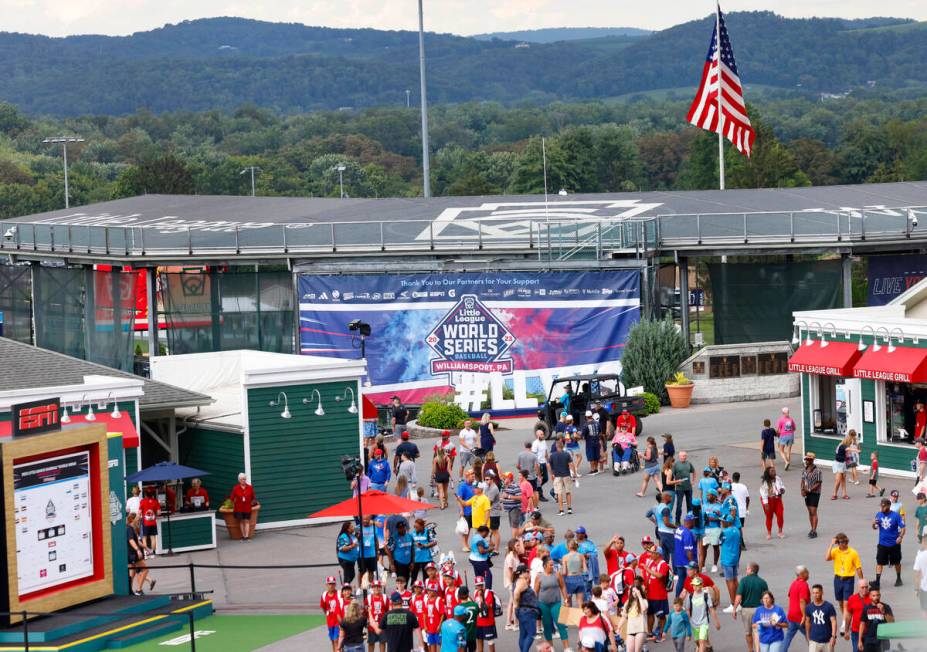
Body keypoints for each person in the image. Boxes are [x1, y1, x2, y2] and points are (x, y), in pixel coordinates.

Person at [825, 532, 863, 632]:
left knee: (846, 603)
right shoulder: (835, 551)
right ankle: (846, 618)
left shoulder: (853, 552)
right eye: (841, 542)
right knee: (841, 603)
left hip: (848, 580)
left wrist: (861, 581)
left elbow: (858, 568)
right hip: (837, 579)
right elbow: (827, 558)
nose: (844, 544)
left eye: (845, 542)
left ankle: (844, 624)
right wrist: (831, 544)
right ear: (838, 543)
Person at [535, 555, 570, 652]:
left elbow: (563, 587)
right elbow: (535, 592)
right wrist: (534, 605)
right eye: (550, 565)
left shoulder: (557, 574)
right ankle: (550, 648)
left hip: (556, 603)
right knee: (547, 626)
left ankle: (567, 648)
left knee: (561, 624)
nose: (552, 567)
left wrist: (566, 600)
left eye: (553, 565)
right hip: (543, 604)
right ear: (545, 566)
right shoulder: (539, 577)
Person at [640, 537, 670, 641]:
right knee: (650, 614)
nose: (650, 554)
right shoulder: (651, 562)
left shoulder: (663, 564)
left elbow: (660, 576)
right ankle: (650, 632)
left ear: (657, 554)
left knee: (661, 616)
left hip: (659, 595)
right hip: (650, 594)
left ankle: (660, 634)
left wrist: (647, 569)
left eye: (652, 552)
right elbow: (647, 576)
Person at [734, 563, 769, 651]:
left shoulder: (744, 581)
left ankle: (750, 650)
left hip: (746, 610)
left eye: (747, 569)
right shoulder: (763, 582)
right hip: (759, 610)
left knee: (748, 632)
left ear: (750, 570)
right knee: (758, 632)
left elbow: (739, 596)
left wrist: (734, 608)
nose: (746, 571)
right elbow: (767, 598)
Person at [873, 497, 905, 587]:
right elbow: (875, 527)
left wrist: (900, 537)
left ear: (889, 506)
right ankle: (877, 582)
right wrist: (873, 524)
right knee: (879, 563)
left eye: (883, 506)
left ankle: (899, 579)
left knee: (897, 562)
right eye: (881, 506)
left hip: (894, 544)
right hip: (882, 544)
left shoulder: (896, 515)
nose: (881, 508)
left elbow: (903, 527)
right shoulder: (879, 514)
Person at [686, 576, 721, 652]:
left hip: (704, 622)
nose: (695, 587)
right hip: (694, 623)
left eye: (697, 585)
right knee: (697, 642)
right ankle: (705, 648)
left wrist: (716, 622)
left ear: (701, 585)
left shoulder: (706, 595)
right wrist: (686, 623)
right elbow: (688, 610)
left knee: (702, 641)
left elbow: (711, 609)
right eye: (694, 585)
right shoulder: (690, 596)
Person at [782, 566, 810, 652]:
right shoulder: (804, 585)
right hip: (800, 617)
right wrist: (804, 616)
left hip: (791, 616)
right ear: (802, 574)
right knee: (811, 637)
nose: (808, 574)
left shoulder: (793, 583)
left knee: (787, 638)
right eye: (806, 572)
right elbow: (802, 601)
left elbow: (790, 597)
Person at [857, 587, 893, 652]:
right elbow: (862, 624)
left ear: (880, 595)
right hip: (869, 640)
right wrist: (859, 640)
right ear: (870, 596)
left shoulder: (886, 607)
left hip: (883, 640)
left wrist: (883, 611)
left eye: (878, 595)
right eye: (874, 595)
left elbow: (892, 622)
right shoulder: (866, 608)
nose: (876, 597)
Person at [513, 564, 539, 652]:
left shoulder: (518, 581)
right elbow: (516, 593)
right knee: (532, 633)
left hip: (522, 611)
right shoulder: (522, 581)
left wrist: (516, 608)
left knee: (523, 635)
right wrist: (516, 605)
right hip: (528, 611)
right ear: (523, 572)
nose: (529, 573)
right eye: (528, 571)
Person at [804, 584, 838, 652]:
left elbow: (833, 621)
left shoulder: (829, 606)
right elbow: (807, 622)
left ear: (822, 593)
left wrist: (833, 637)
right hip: (814, 641)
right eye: (813, 593)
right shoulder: (809, 607)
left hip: (827, 641)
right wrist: (807, 637)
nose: (815, 595)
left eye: (817, 593)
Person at [126, 513, 154, 596]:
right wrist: (138, 550)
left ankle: (130, 591)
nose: (139, 520)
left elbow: (137, 541)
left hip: (130, 554)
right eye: (137, 518)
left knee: (132, 572)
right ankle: (139, 590)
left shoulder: (132, 528)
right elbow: (131, 540)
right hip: (133, 553)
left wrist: (146, 548)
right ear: (132, 519)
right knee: (145, 569)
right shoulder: (129, 529)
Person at [719, 516, 743, 608]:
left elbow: (720, 542)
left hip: (727, 559)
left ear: (726, 522)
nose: (721, 522)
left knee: (729, 581)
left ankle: (733, 603)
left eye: (722, 521)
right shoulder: (736, 530)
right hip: (735, 558)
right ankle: (739, 601)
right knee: (735, 580)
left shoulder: (724, 532)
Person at [673, 513, 698, 597]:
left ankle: (678, 599)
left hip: (678, 560)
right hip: (687, 562)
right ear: (690, 521)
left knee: (681, 580)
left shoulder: (678, 529)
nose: (695, 522)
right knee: (693, 581)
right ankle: (694, 599)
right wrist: (692, 564)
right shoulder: (687, 533)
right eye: (694, 520)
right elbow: (688, 551)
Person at [842, 579, 870, 652]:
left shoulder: (872, 597)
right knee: (857, 650)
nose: (865, 589)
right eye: (862, 587)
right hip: (856, 631)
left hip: (869, 631)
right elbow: (849, 616)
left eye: (866, 587)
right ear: (858, 587)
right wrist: (846, 630)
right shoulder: (852, 599)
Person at [621, 582, 649, 652]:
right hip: (630, 630)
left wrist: (639, 596)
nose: (634, 593)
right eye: (633, 591)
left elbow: (644, 609)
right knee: (629, 650)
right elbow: (624, 616)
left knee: (637, 650)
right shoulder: (628, 603)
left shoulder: (644, 601)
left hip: (641, 630)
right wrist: (618, 627)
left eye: (636, 591)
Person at [549, 439, 575, 516]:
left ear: (557, 447)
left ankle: (561, 510)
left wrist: (551, 474)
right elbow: (571, 464)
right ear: (563, 446)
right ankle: (569, 509)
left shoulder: (552, 455)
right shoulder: (567, 454)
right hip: (566, 475)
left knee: (559, 493)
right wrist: (574, 474)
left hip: (557, 476)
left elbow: (548, 465)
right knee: (568, 492)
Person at [759, 465, 785, 539]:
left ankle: (780, 532)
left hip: (777, 499)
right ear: (768, 473)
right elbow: (763, 493)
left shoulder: (778, 478)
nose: (774, 472)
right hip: (768, 500)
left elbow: (782, 486)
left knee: (780, 515)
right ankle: (769, 533)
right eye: (772, 471)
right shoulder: (765, 482)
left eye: (774, 470)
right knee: (769, 516)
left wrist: (783, 489)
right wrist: (766, 504)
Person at [801, 453, 823, 539]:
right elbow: (802, 480)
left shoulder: (817, 471)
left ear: (812, 460)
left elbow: (818, 483)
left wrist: (809, 489)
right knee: (810, 512)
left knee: (813, 511)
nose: (806, 461)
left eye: (808, 460)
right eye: (806, 459)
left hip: (814, 493)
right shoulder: (804, 470)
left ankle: (814, 530)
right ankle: (812, 528)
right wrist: (802, 490)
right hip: (807, 493)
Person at [230, 472, 257, 542]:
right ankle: (243, 536)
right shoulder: (236, 488)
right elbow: (231, 498)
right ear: (239, 480)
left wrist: (252, 503)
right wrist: (234, 504)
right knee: (241, 521)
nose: (244, 480)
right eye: (242, 479)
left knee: (247, 521)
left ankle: (247, 537)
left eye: (245, 479)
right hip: (239, 508)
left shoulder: (250, 487)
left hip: (247, 507)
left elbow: (253, 497)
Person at [321, 576, 344, 652]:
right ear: (326, 585)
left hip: (338, 621)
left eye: (333, 584)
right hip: (330, 622)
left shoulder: (339, 594)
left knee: (336, 640)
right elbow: (324, 607)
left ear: (335, 584)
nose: (331, 585)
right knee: (332, 640)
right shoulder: (324, 595)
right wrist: (328, 614)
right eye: (330, 584)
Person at [561, 539, 588, 607]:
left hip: (569, 580)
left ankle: (567, 616)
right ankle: (581, 616)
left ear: (568, 547)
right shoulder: (581, 556)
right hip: (579, 579)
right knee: (580, 601)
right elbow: (585, 570)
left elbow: (564, 572)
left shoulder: (565, 557)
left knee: (567, 600)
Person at [672, 451, 696, 524]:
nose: (684, 457)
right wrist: (675, 482)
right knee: (679, 505)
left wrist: (693, 480)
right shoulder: (676, 465)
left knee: (690, 504)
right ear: (679, 457)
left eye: (685, 456)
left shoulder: (688, 463)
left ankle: (690, 519)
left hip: (688, 487)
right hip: (680, 488)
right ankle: (677, 521)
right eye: (682, 456)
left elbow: (693, 471)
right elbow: (672, 474)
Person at [469, 525, 493, 589]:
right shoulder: (480, 540)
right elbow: (481, 551)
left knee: (479, 576)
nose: (486, 535)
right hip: (479, 560)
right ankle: (488, 591)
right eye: (487, 534)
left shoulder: (475, 536)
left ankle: (478, 590)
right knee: (488, 575)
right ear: (484, 532)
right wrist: (489, 549)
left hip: (473, 558)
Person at [367, 580, 389, 652]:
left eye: (378, 587)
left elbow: (388, 611)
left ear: (381, 588)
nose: (376, 588)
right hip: (372, 626)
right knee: (371, 643)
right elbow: (365, 612)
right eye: (374, 587)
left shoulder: (385, 598)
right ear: (372, 588)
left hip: (382, 625)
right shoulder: (368, 598)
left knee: (382, 642)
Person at [516, 441, 539, 508]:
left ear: (525, 446)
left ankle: (525, 505)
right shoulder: (534, 455)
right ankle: (535, 507)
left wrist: (521, 470)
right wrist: (538, 474)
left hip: (523, 477)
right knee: (534, 492)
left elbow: (517, 465)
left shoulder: (520, 455)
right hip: (532, 476)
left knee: (523, 492)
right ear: (531, 447)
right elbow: (536, 466)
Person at [139, 486, 160, 553]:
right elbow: (159, 512)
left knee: (144, 538)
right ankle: (153, 552)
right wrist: (155, 515)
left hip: (145, 522)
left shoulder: (142, 501)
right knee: (153, 537)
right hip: (153, 522)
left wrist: (139, 518)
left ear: (145, 494)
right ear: (153, 494)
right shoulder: (155, 501)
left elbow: (139, 512)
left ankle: (146, 553)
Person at [832, 434, 851, 501]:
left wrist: (847, 467)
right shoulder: (842, 445)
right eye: (849, 440)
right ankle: (834, 494)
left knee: (843, 479)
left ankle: (844, 494)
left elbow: (848, 458)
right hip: (838, 463)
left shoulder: (845, 446)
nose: (849, 441)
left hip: (843, 464)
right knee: (838, 480)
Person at [582, 411, 602, 475]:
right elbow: (600, 432)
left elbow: (583, 435)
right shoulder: (597, 423)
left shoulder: (585, 425)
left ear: (586, 417)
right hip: (597, 441)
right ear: (591, 416)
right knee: (596, 455)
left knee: (591, 456)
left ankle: (592, 469)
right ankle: (596, 468)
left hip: (589, 442)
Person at [913, 534, 927, 617]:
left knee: (925, 610)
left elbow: (917, 574)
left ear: (923, 542)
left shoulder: (920, 556)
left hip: (925, 588)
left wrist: (916, 589)